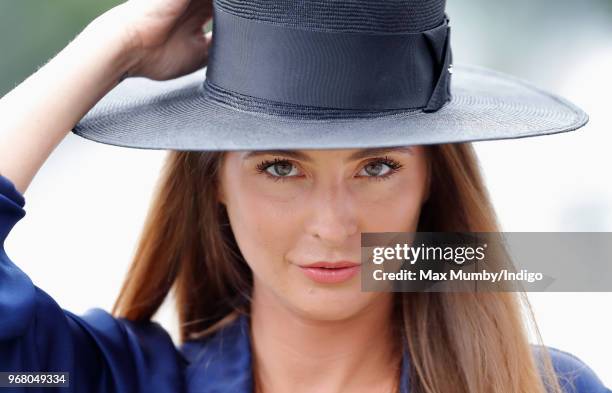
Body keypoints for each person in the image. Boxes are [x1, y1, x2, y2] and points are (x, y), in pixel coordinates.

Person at [0, 0, 609, 392]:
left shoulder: (545, 387)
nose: (333, 225)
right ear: (214, 181)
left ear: (430, 181)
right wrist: (117, 42)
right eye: (280, 168)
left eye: (376, 167)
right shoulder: (107, 382)